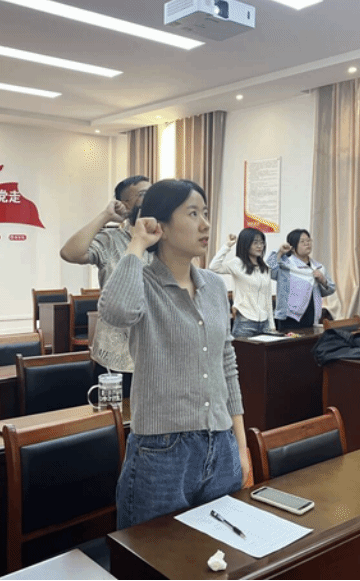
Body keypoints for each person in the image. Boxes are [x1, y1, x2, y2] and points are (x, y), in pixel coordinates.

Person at [98, 179, 249, 529]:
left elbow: (227, 365)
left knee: (217, 550)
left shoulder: (214, 285)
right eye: (193, 214)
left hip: (221, 443)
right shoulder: (141, 281)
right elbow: (116, 312)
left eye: (205, 213)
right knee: (154, 554)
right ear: (160, 226)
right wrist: (137, 242)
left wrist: (240, 447)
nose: (205, 224)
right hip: (161, 452)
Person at [59, 175, 152, 394]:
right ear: (125, 204)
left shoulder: (164, 243)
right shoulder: (111, 239)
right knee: (115, 413)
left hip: (155, 355)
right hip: (116, 355)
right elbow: (70, 253)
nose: (151, 199)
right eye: (143, 194)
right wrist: (106, 215)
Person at [209, 228, 275, 338]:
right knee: (243, 350)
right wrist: (227, 246)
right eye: (255, 242)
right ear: (246, 244)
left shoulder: (265, 267)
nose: (259, 246)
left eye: (262, 242)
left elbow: (268, 297)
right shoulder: (237, 264)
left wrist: (272, 325)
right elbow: (213, 267)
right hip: (245, 322)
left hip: (265, 323)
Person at [266, 229, 336, 330]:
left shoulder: (318, 266)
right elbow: (269, 269)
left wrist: (323, 280)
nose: (307, 244)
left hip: (312, 316)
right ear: (293, 247)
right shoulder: (286, 265)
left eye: (308, 240)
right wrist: (280, 252)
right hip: (289, 317)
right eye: (302, 241)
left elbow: (331, 289)